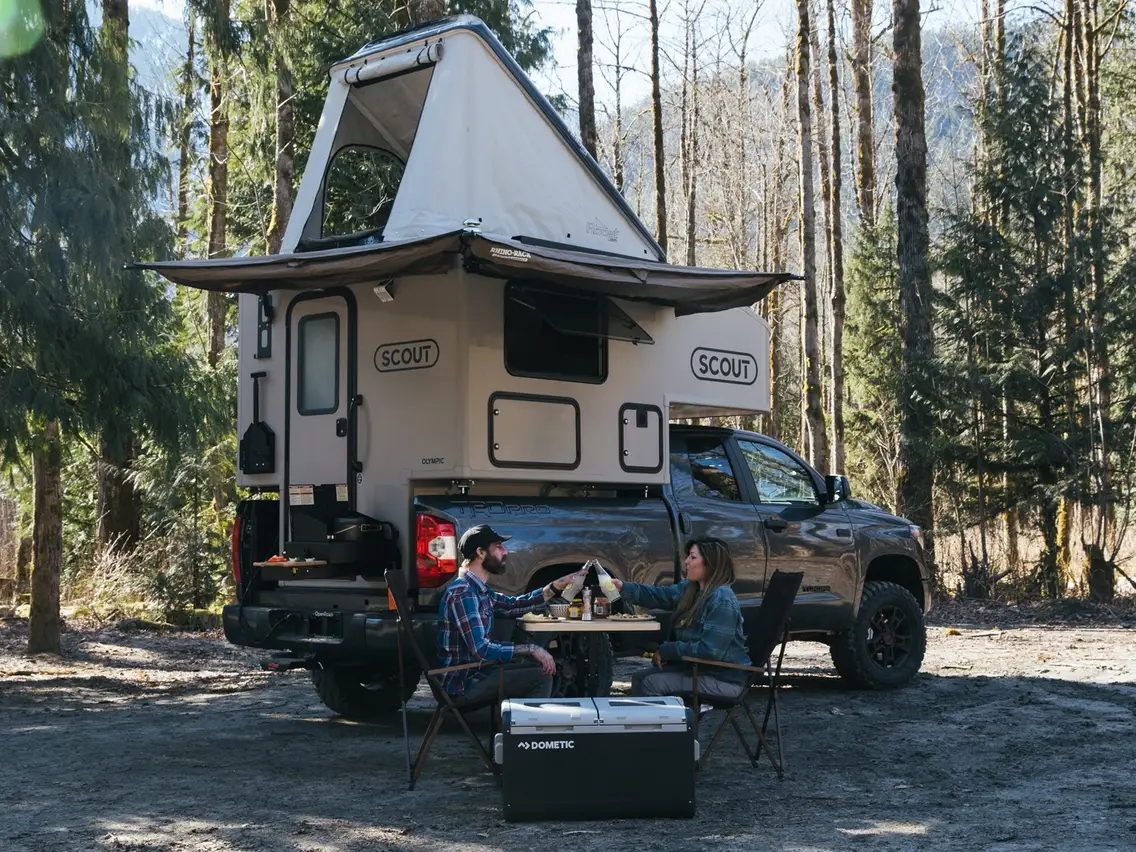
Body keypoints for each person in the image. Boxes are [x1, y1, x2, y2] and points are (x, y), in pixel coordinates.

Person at [437, 523, 587, 703]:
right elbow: (481, 650)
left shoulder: (479, 590)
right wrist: (531, 649)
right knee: (541, 677)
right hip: (465, 684)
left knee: (534, 665)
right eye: (498, 547)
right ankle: (524, 730)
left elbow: (514, 605)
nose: (505, 552)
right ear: (481, 552)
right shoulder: (464, 593)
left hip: (480, 671)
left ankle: (516, 725)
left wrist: (557, 585)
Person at [608, 537, 752, 700]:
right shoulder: (692, 589)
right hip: (699, 670)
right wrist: (623, 587)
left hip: (722, 678)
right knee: (639, 678)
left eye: (693, 557)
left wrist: (668, 650)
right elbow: (661, 596)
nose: (686, 562)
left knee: (651, 683)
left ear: (710, 563)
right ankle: (655, 724)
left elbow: (711, 651)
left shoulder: (722, 599)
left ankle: (671, 725)